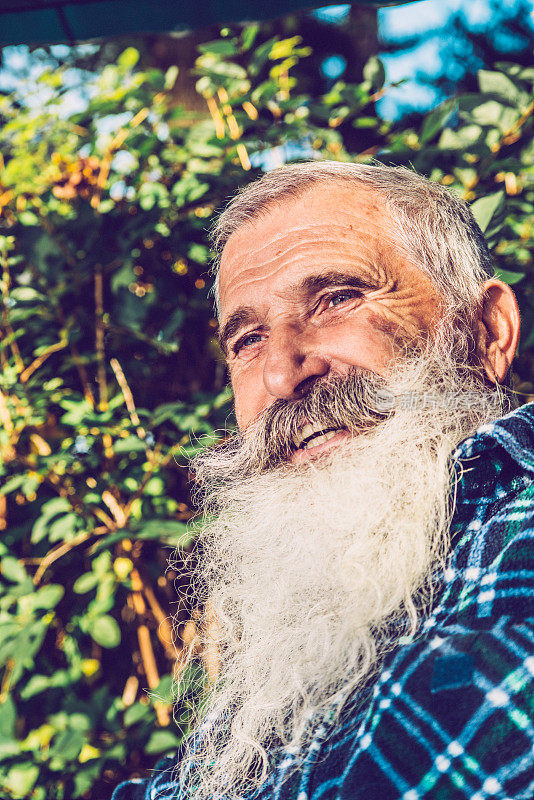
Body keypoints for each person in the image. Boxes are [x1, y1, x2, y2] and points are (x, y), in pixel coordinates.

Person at [112, 162, 533, 800]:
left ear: (486, 332)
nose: (282, 375)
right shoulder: (323, 606)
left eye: (336, 299)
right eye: (248, 338)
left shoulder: (514, 527)